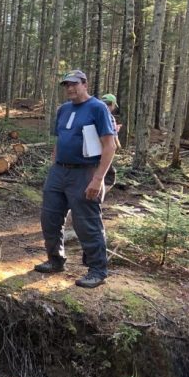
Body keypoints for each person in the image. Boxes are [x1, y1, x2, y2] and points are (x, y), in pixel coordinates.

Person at [34, 70, 117, 288]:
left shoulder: (98, 108)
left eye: (74, 84)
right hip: (59, 171)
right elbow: (59, 140)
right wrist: (54, 166)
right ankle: (55, 260)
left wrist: (98, 179)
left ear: (85, 84)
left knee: (87, 223)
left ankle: (98, 270)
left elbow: (110, 146)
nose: (70, 88)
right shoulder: (63, 109)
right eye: (66, 85)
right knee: (49, 218)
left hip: (85, 172)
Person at [100, 93, 122, 192]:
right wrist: (118, 146)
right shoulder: (110, 117)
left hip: (90, 152)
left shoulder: (94, 114)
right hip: (104, 151)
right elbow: (113, 138)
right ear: (112, 104)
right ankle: (96, 198)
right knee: (110, 179)